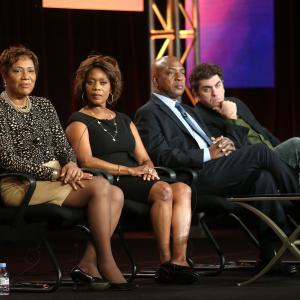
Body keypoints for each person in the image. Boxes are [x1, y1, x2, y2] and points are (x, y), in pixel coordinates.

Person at [135, 55, 300, 274]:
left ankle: (270, 257)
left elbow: (209, 141)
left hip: (216, 168)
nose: (179, 77)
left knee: (263, 177)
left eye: (182, 72)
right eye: (170, 72)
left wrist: (224, 143)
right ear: (156, 81)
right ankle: (298, 207)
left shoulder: (188, 111)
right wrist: (207, 153)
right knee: (260, 152)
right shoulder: (148, 113)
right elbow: (160, 156)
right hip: (194, 178)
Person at [0, 46, 131, 291]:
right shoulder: (0, 109)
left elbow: (64, 147)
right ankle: (105, 261)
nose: (26, 76)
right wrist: (55, 173)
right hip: (20, 183)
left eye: (31, 71)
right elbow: (8, 160)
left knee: (116, 193)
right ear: (5, 75)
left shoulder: (44, 106)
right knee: (102, 188)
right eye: (18, 70)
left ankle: (90, 262)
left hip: (57, 176)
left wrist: (70, 163)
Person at [65, 54, 199, 284]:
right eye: (91, 82)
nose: (97, 88)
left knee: (183, 189)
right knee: (165, 191)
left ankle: (179, 261)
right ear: (83, 87)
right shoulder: (78, 120)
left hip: (134, 176)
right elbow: (87, 161)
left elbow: (144, 157)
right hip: (108, 179)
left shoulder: (124, 119)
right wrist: (130, 171)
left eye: (103, 83)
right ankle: (165, 262)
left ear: (112, 88)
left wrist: (147, 167)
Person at [190, 63, 300, 179]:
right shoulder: (199, 119)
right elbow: (234, 154)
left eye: (218, 85)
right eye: (207, 89)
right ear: (196, 94)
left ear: (223, 85)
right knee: (296, 144)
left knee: (293, 149)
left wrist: (284, 152)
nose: (215, 93)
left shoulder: (234, 102)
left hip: (272, 156)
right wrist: (230, 119)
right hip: (253, 163)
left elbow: (262, 132)